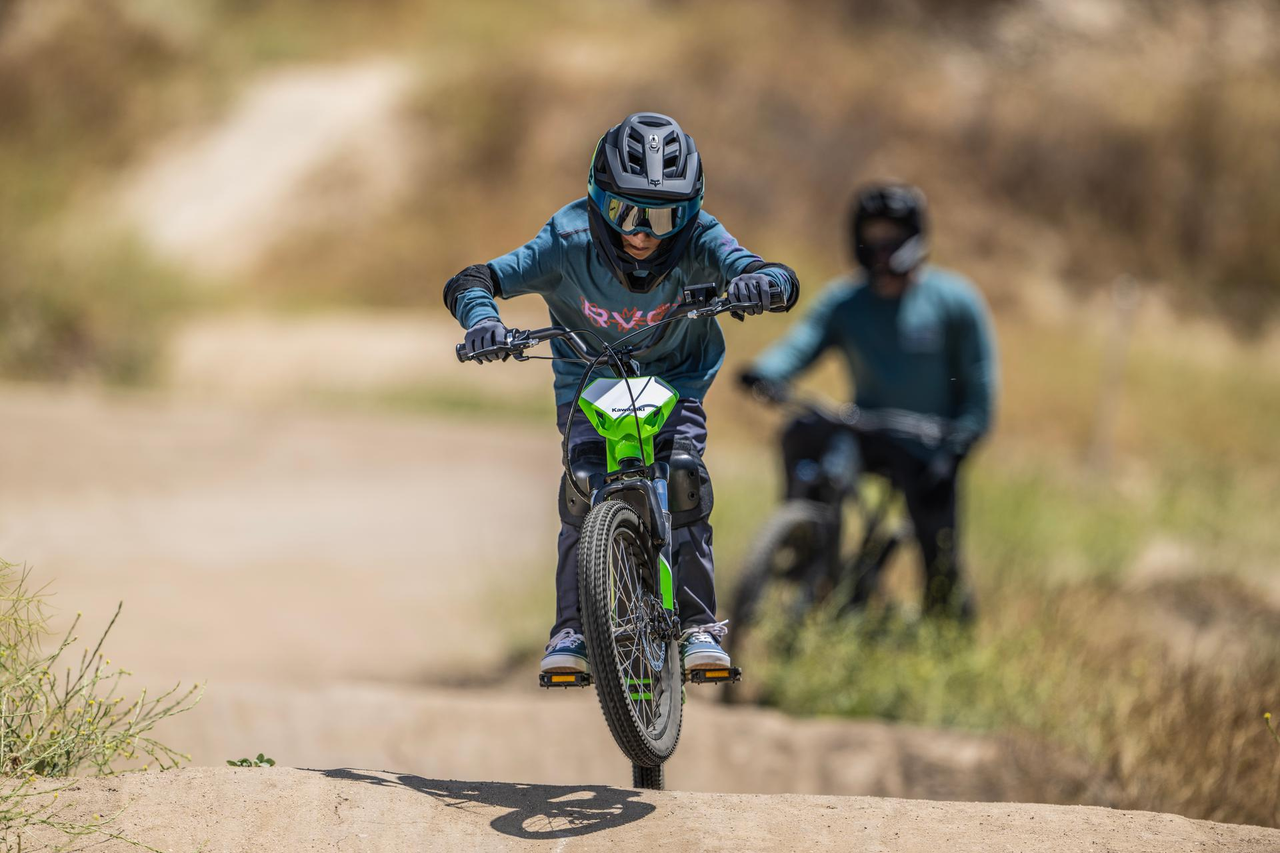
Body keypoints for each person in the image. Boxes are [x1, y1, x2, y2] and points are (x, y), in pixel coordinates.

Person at [445, 112, 799, 675]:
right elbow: (474, 280)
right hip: (589, 385)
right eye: (624, 211)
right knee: (582, 486)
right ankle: (570, 631)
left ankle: (698, 625)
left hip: (676, 382)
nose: (642, 233)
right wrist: (482, 321)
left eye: (663, 216)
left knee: (682, 475)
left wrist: (763, 283)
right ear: (596, 199)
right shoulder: (566, 239)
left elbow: (765, 271)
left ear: (690, 210)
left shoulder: (702, 238)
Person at [741, 183, 997, 620]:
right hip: (865, 429)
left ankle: (944, 626)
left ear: (914, 236)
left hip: (928, 446)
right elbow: (802, 342)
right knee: (801, 432)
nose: (882, 245)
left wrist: (960, 445)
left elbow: (979, 380)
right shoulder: (847, 302)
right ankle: (807, 545)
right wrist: (767, 371)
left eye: (891, 235)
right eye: (872, 234)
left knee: (940, 564)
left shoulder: (955, 301)